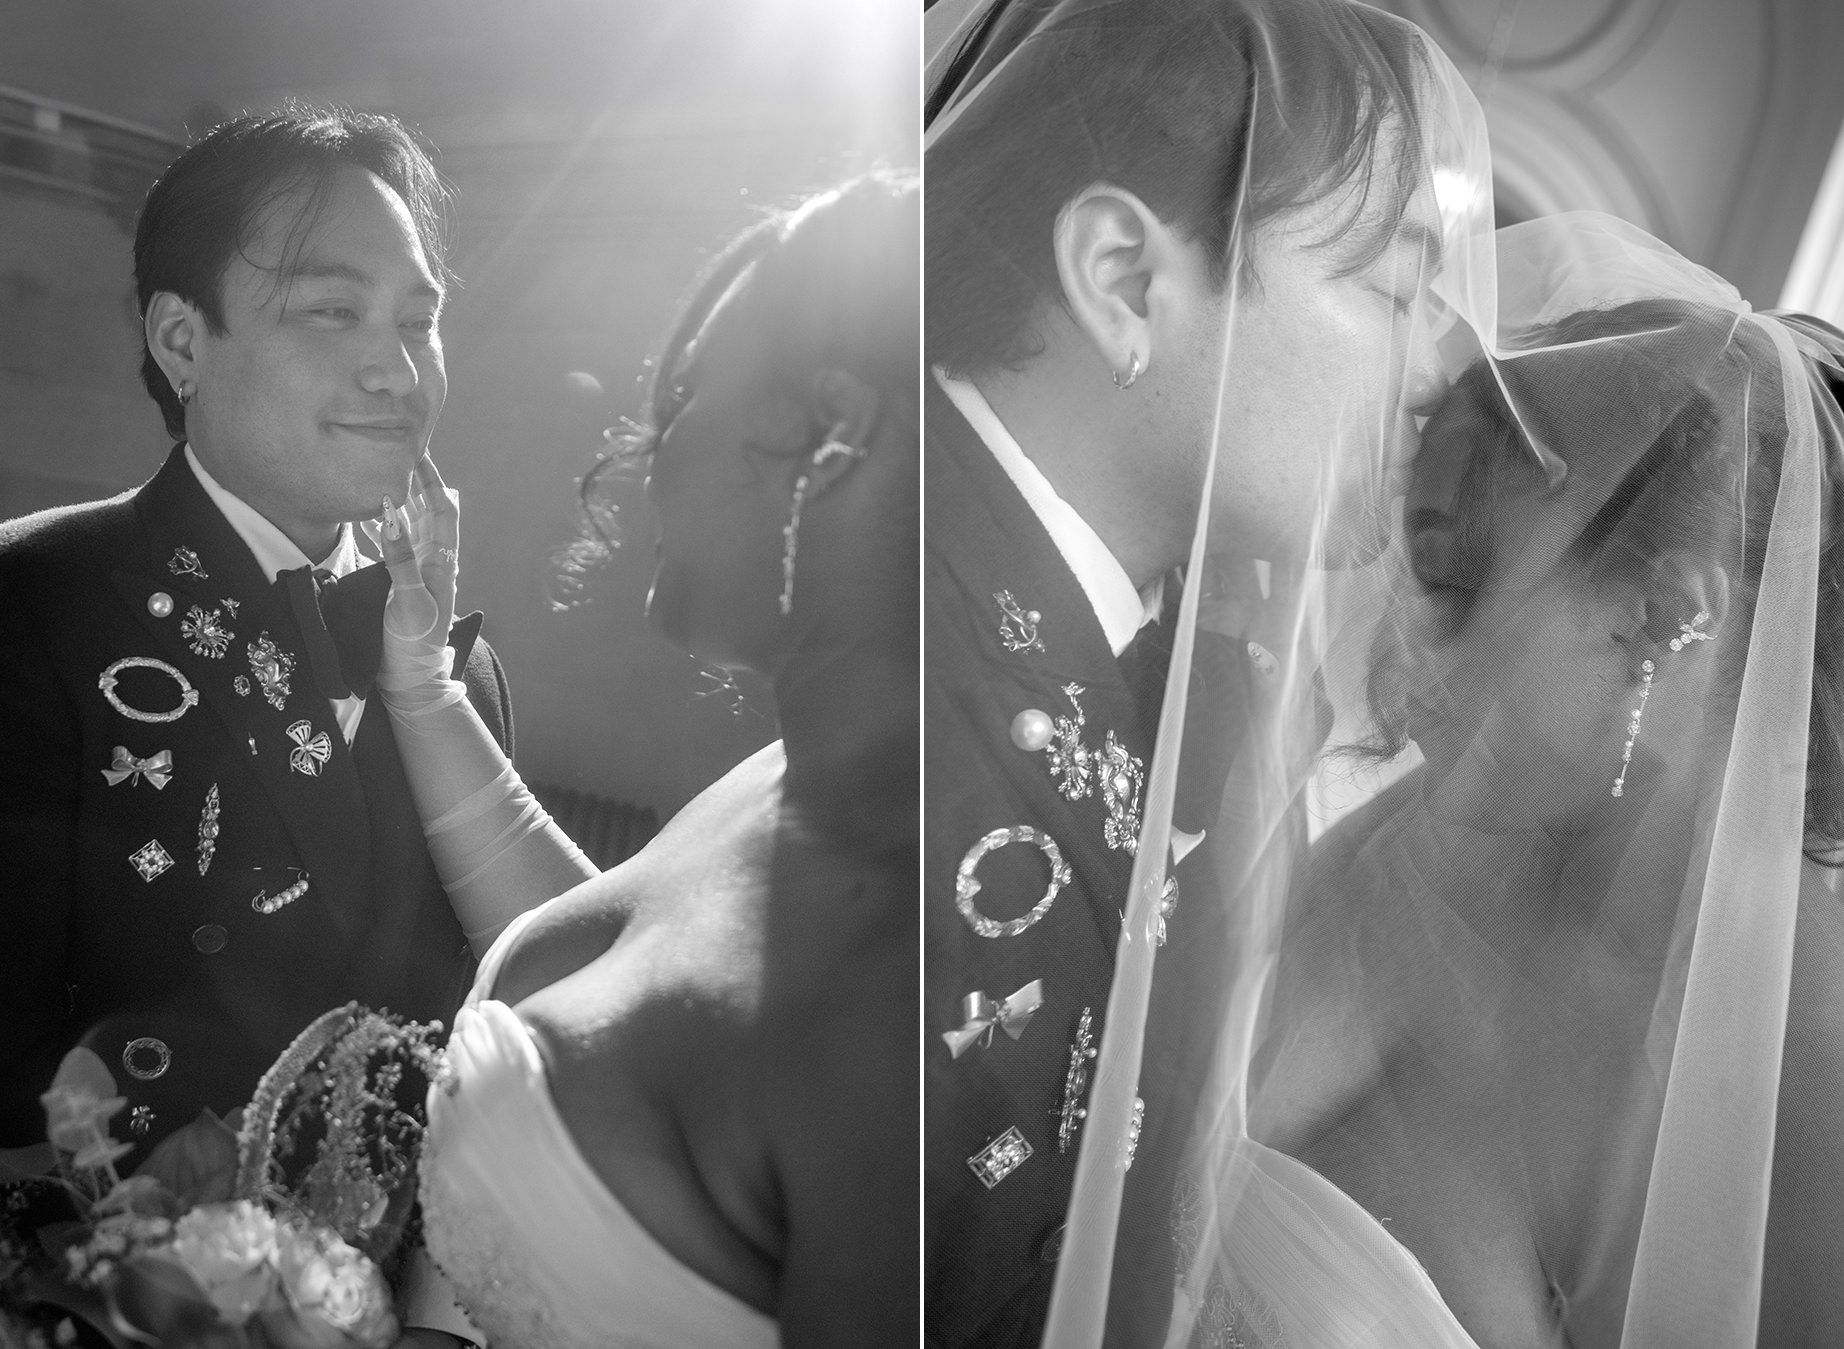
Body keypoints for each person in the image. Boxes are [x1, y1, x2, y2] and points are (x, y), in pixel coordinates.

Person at [921, 1, 1493, 1342]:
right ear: (1126, 278)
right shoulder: (883, 612)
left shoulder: (1194, 666)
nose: (1434, 375)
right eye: (1391, 290)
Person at [1234, 221, 1844, 1345]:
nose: (1401, 652)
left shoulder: (1804, 1065)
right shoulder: (1427, 843)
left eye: (1458, 585)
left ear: (1664, 614)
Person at [374, 172, 919, 1347]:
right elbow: (619, 981)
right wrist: (422, 689)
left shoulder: (904, 973)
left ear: (831, 439)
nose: (629, 461)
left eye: (678, 406)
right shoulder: (788, 773)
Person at [0, 109, 513, 1167]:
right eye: (333, 310)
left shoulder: (460, 666)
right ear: (182, 340)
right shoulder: (32, 598)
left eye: (418, 320)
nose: (398, 371)